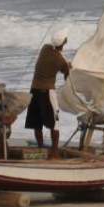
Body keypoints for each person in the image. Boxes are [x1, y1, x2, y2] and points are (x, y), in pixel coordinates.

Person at [24, 30, 70, 158]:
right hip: (47, 92)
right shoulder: (60, 60)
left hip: (34, 90)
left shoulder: (44, 49)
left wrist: (66, 64)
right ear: (63, 44)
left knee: (37, 123)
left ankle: (40, 148)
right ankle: (54, 152)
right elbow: (66, 75)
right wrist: (68, 68)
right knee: (54, 124)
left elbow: (52, 60)